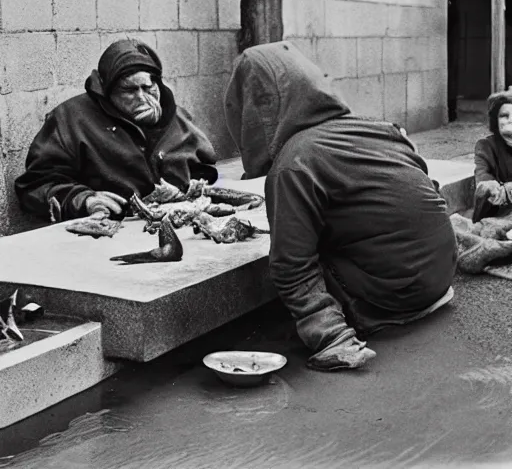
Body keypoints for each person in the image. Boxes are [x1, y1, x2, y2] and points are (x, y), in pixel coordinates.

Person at [224, 41, 457, 372]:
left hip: (396, 299)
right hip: (442, 277)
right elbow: (424, 192)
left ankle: (343, 328)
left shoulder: (295, 162)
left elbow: (292, 264)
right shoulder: (378, 129)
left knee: (299, 250)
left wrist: (329, 337)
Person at [15, 39, 218, 221]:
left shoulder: (176, 116)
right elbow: (35, 186)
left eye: (148, 88)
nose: (142, 97)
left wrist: (188, 191)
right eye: (129, 90)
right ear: (108, 91)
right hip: (108, 230)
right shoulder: (71, 118)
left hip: (174, 223)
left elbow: (205, 167)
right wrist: (83, 200)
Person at [473, 89, 512, 223]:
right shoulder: (486, 146)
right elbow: (483, 178)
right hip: (497, 214)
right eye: (504, 116)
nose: (510, 121)